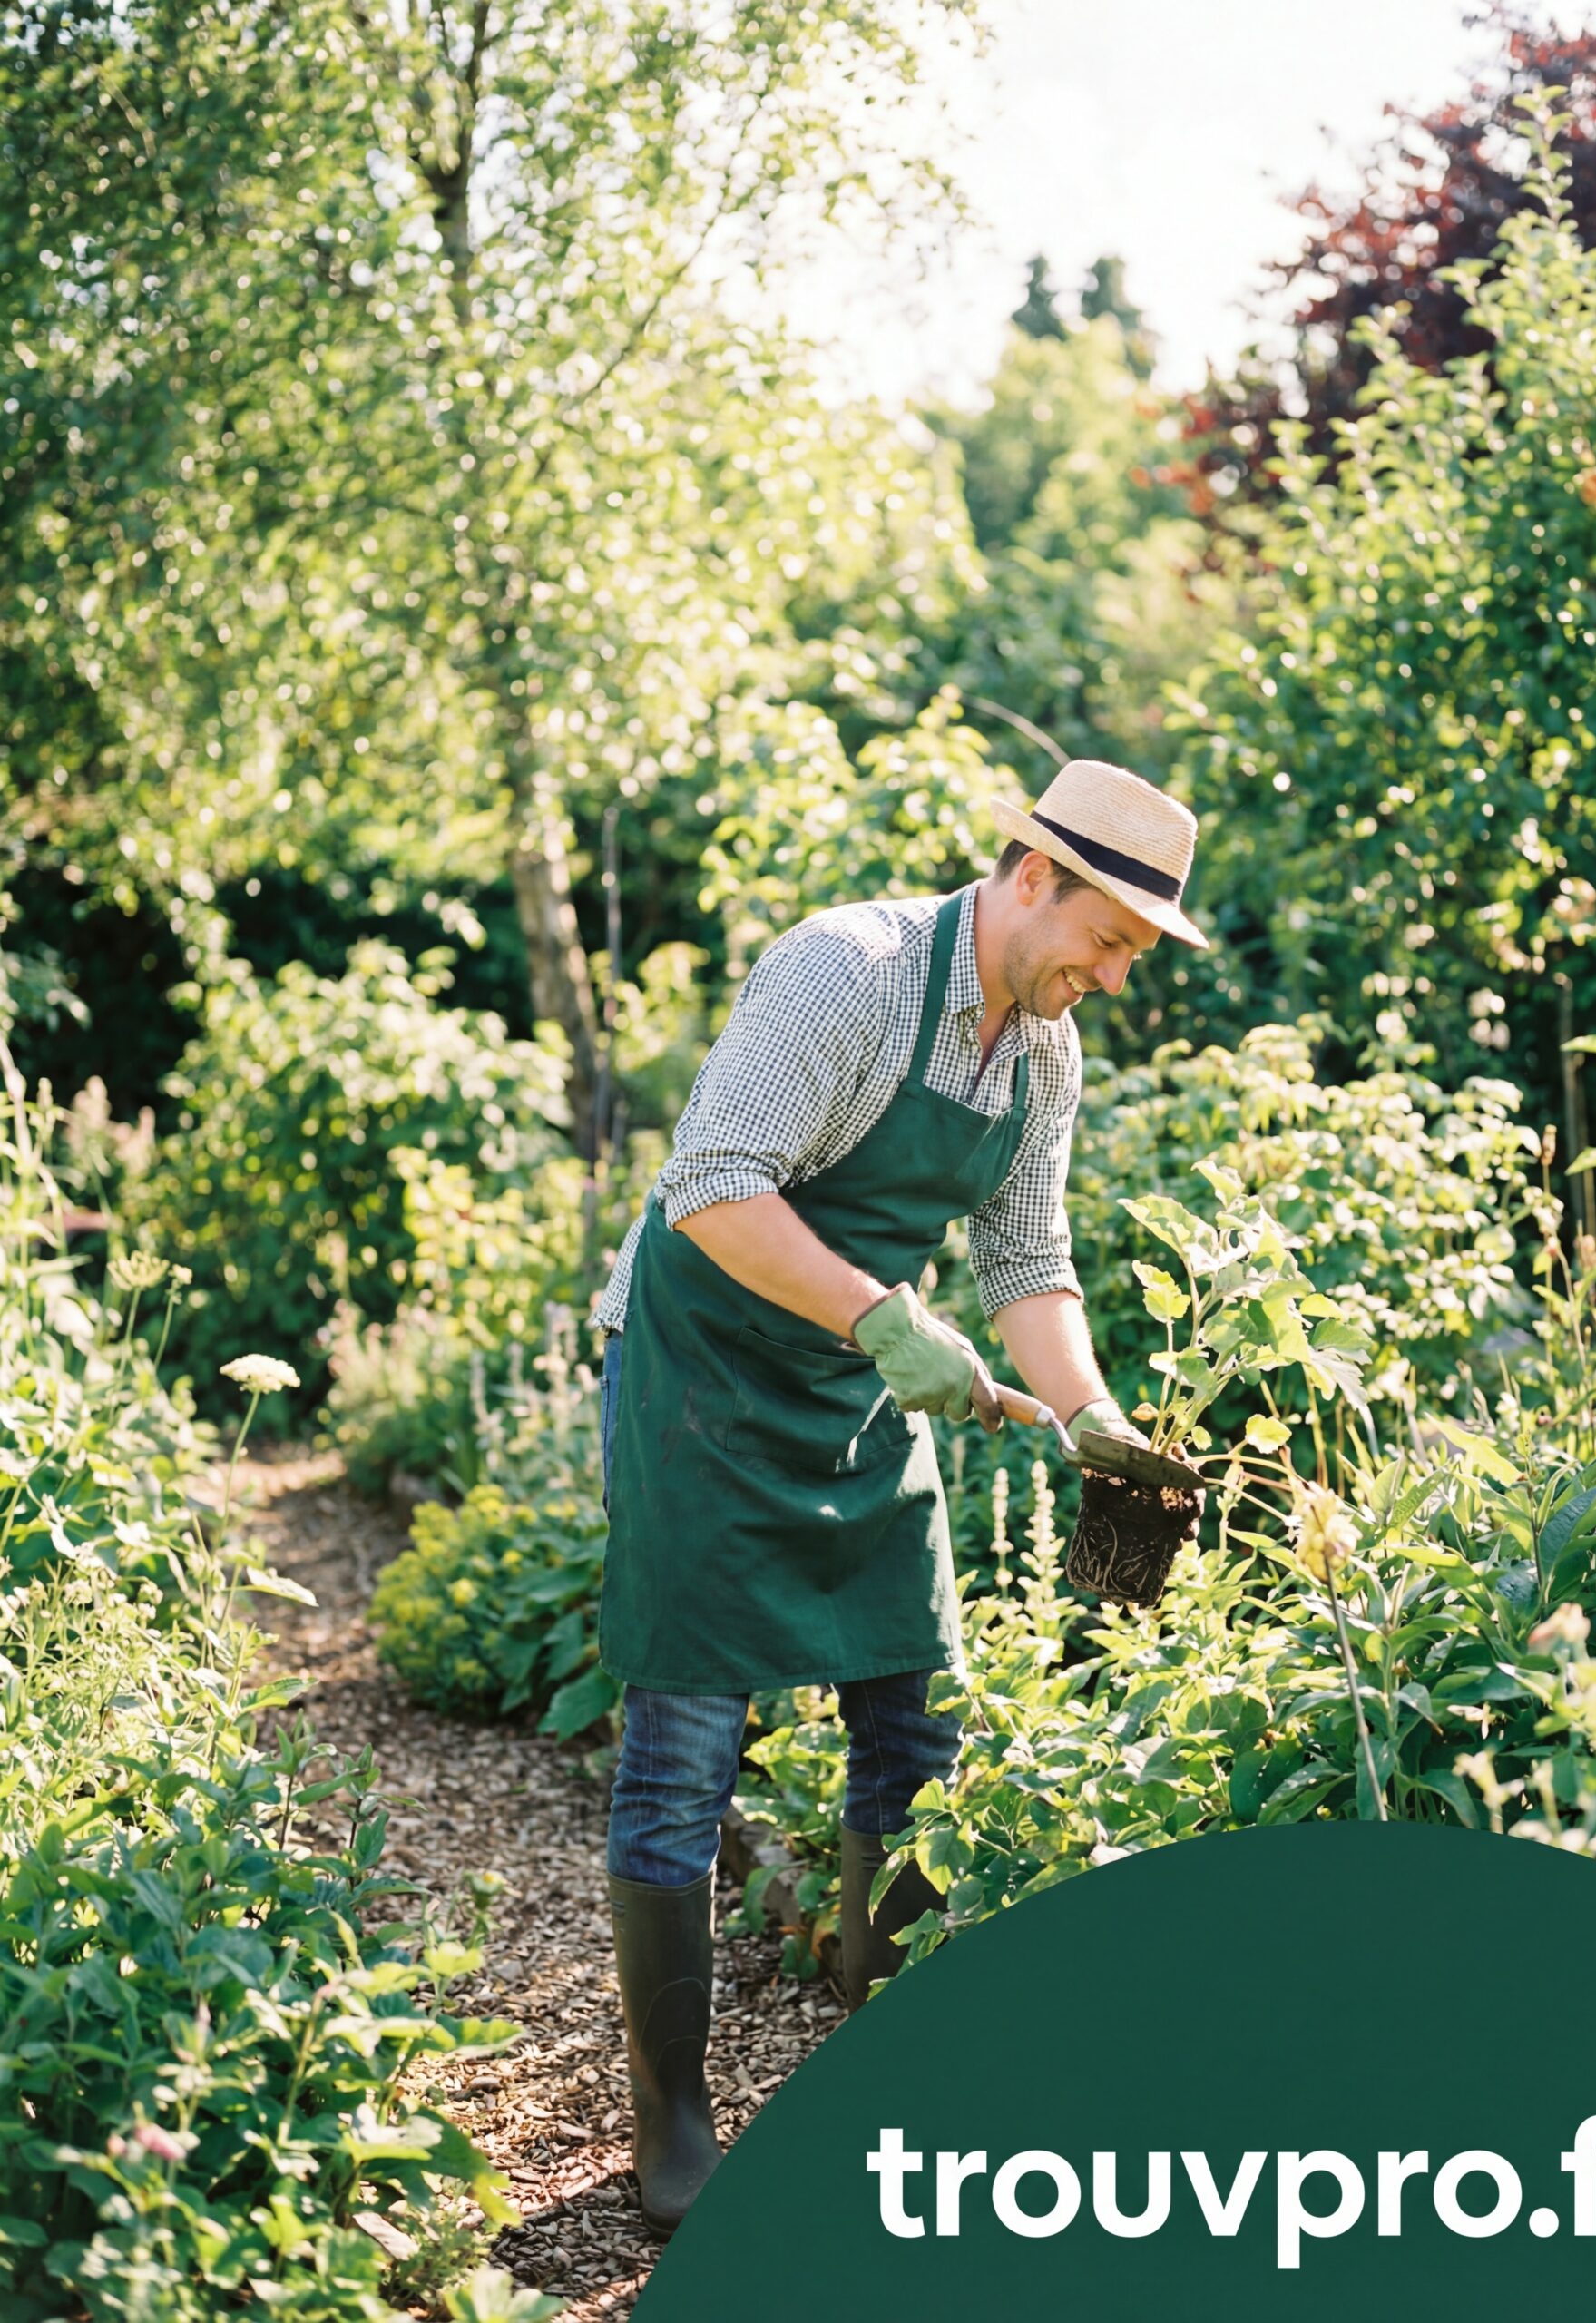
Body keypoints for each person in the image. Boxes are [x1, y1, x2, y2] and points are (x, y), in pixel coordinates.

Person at [589, 756, 1208, 2238]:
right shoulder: (843, 974)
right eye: (1108, 937)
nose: (1112, 976)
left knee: (916, 1725)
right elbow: (713, 1185)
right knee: (684, 1748)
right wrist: (882, 1320)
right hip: (704, 1376)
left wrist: (1096, 1421)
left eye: (1135, 952)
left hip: (860, 1390)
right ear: (1028, 874)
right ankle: (672, 2124)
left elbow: (1026, 1263)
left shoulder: (1041, 1053)